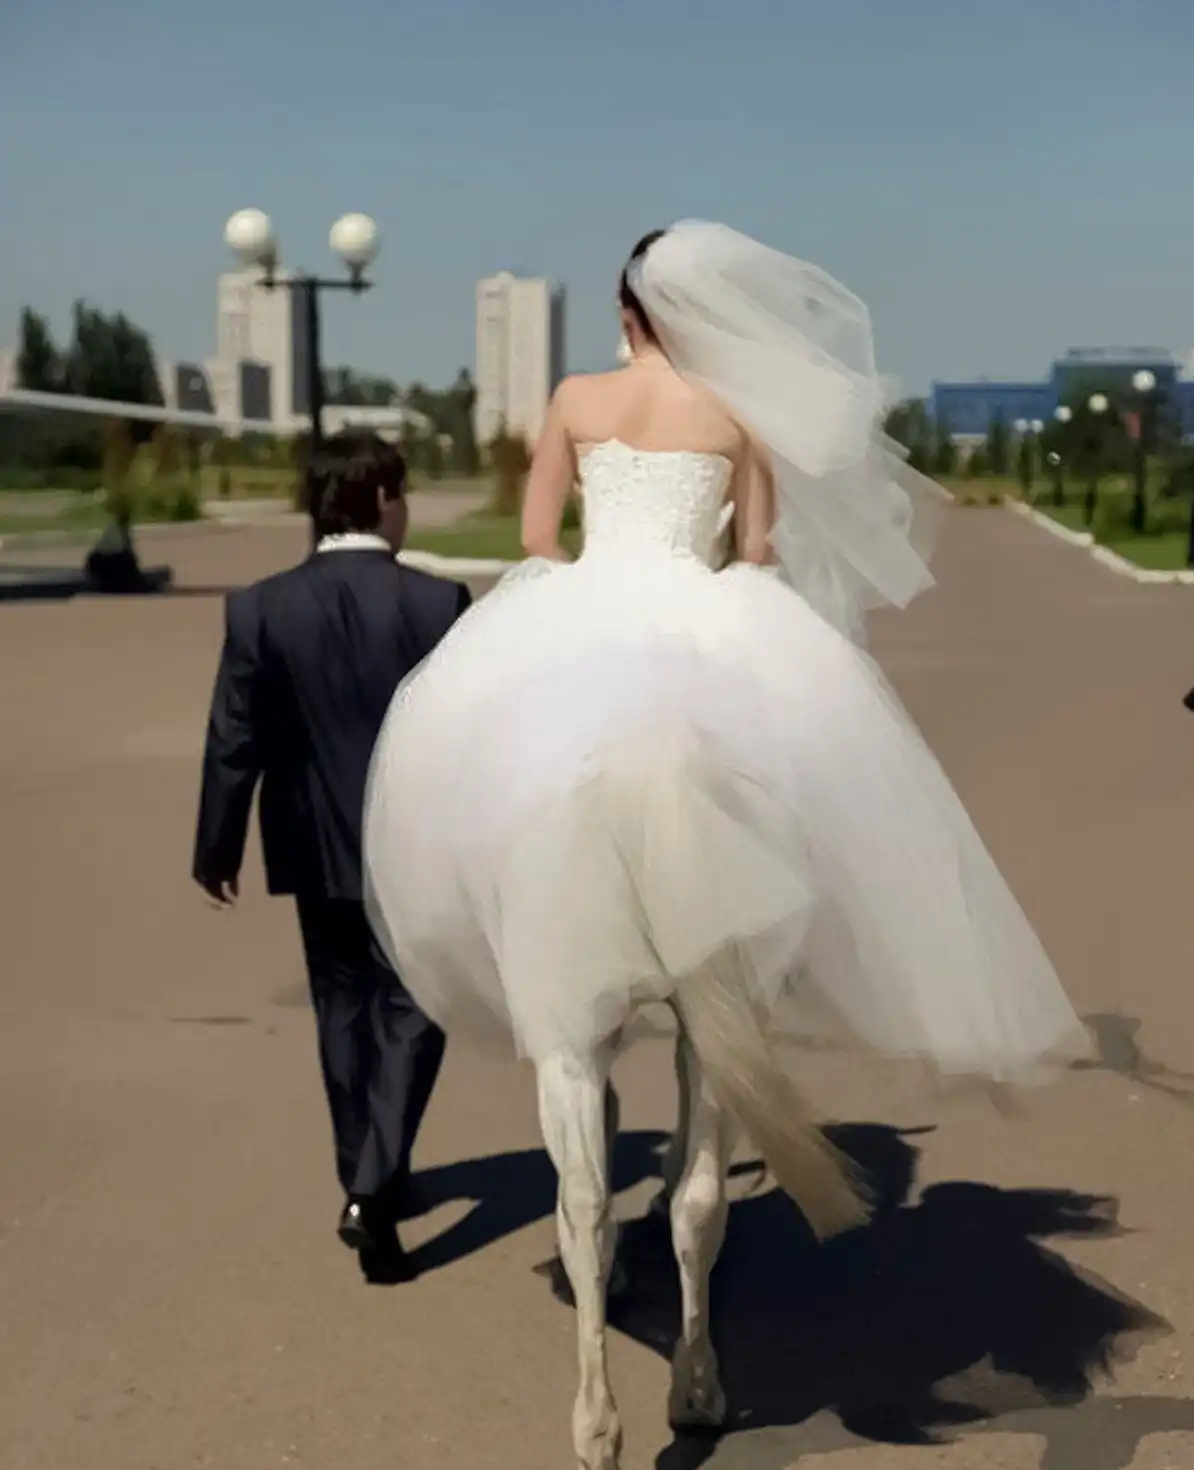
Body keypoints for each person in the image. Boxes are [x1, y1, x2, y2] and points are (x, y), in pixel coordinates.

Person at [364, 219, 1086, 1139]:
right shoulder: (737, 415)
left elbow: (538, 537)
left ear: (626, 311)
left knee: (492, 772)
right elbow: (756, 551)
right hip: (702, 599)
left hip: (586, 593)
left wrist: (590, 576)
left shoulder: (576, 398)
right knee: (798, 781)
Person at [193, 432, 471, 1284]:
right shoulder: (438, 604)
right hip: (413, 844)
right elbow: (471, 736)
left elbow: (233, 737)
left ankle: (364, 1174)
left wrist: (216, 847)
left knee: (342, 1007)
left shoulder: (260, 607)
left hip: (311, 841)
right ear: (382, 498)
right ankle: (374, 1188)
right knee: (415, 1007)